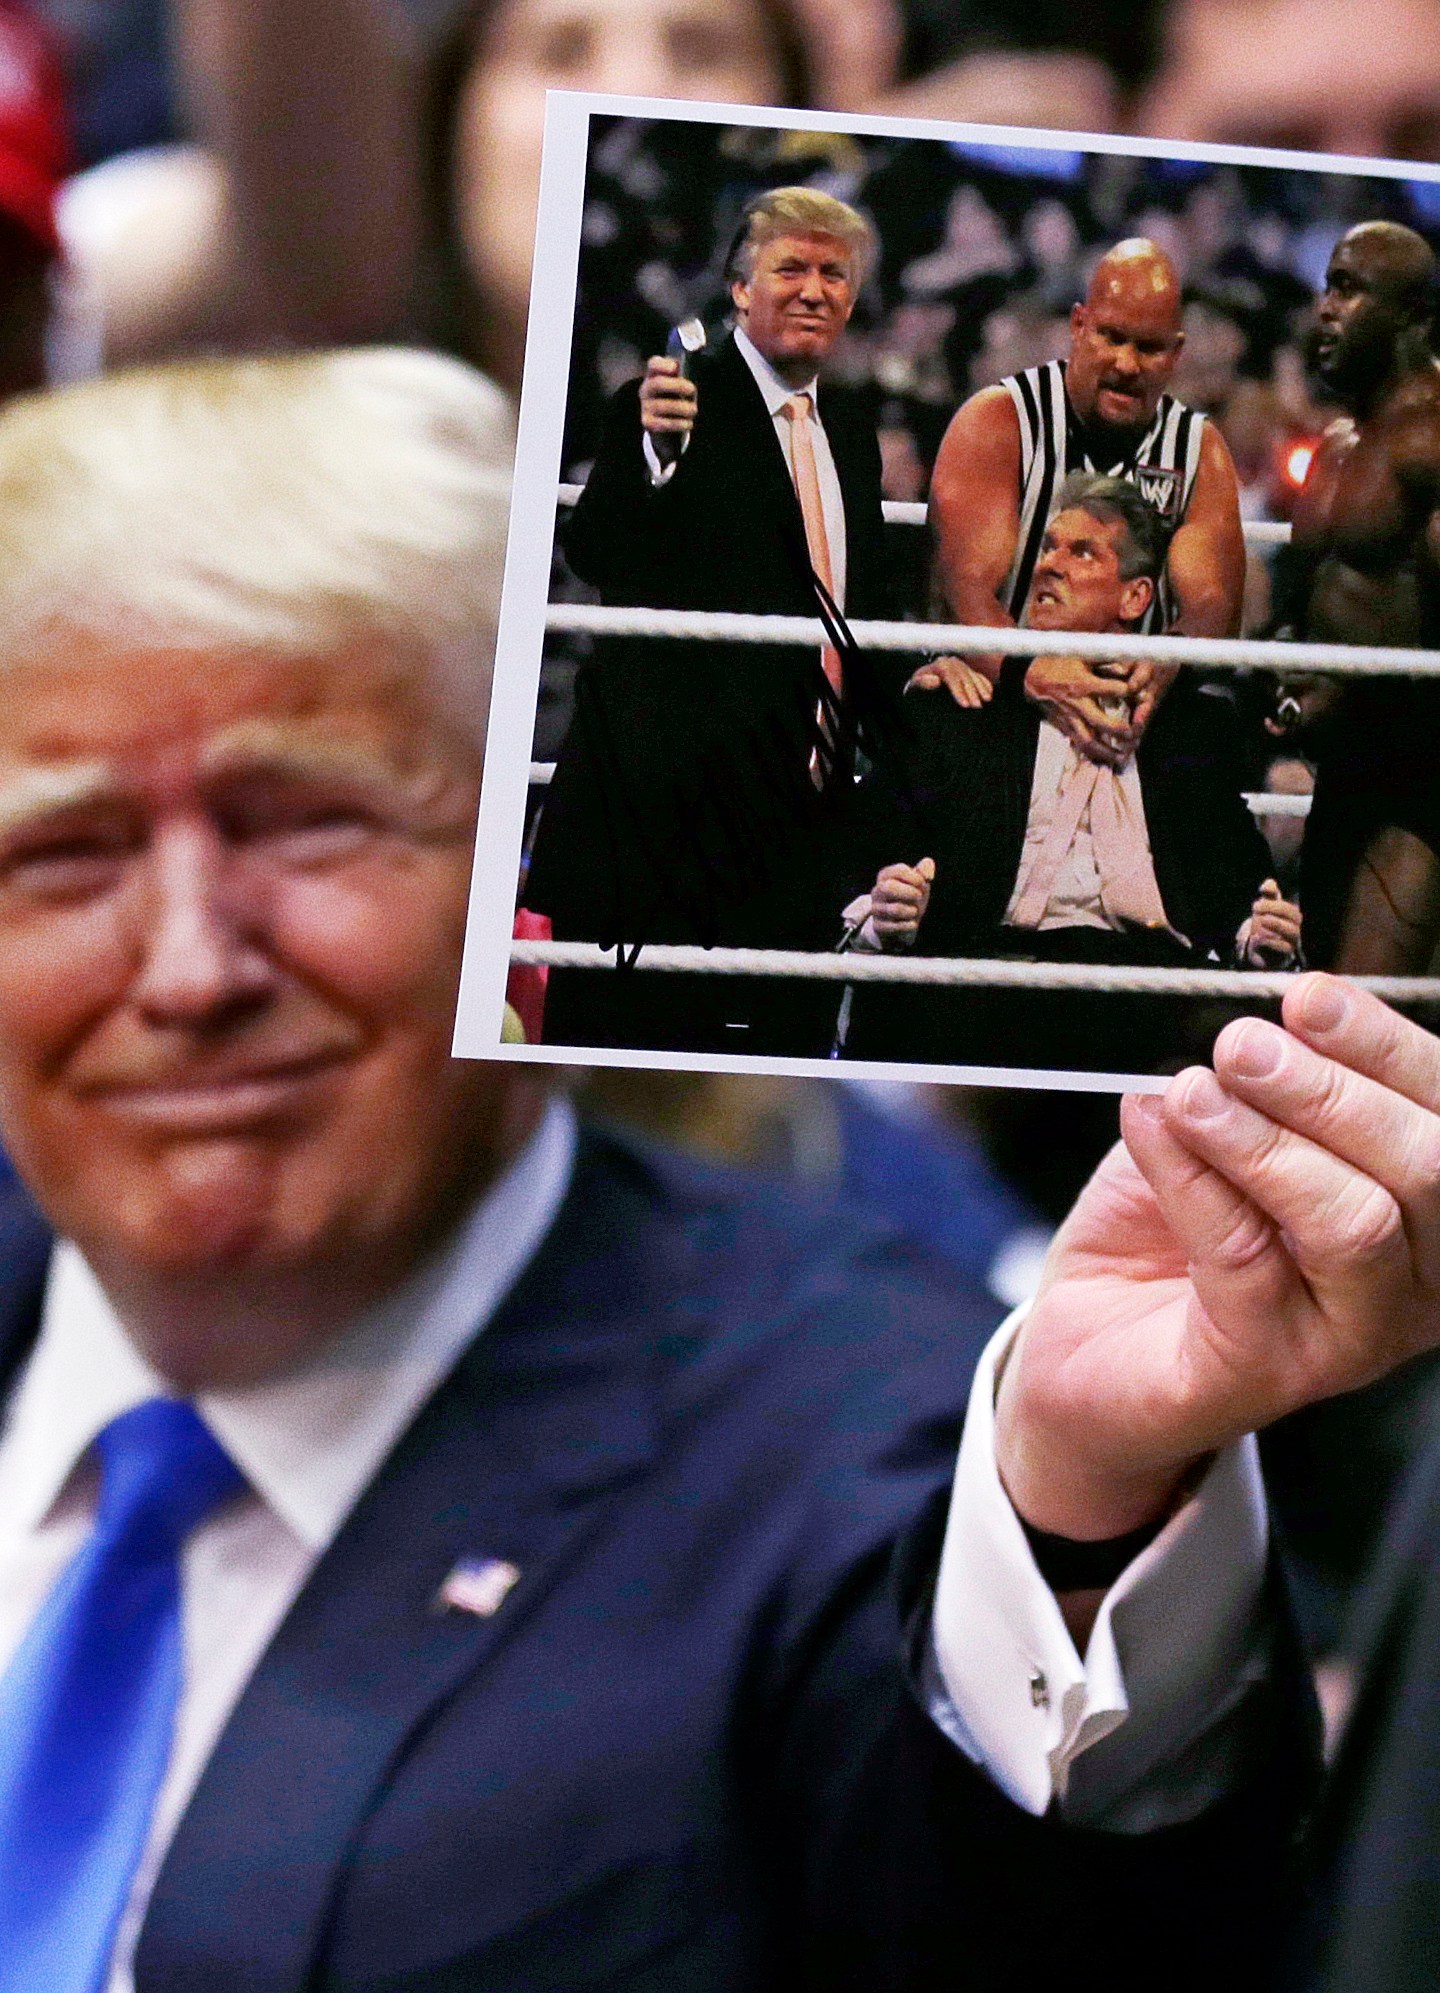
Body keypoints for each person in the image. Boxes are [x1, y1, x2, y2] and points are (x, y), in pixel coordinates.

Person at [0, 342, 1432, 1993]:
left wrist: (1080, 1514)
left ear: (522, 864)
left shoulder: (859, 1438)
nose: (190, 964)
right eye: (66, 850)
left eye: (311, 823)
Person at [526, 185, 897, 1058]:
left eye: (833, 274)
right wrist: (655, 454)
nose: (814, 289)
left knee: (783, 1073)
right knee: (630, 1070)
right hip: (668, 823)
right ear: (739, 288)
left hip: (800, 814)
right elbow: (600, 550)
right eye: (792, 268)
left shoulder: (848, 425)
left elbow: (866, 596)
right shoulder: (673, 400)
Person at [837, 474, 1298, 1070]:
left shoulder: (1189, 727)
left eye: (1081, 552)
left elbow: (1236, 879)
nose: (1049, 566)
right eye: (1049, 547)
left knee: (1232, 1039)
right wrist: (888, 913)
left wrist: (1257, 933)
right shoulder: (963, 700)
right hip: (995, 974)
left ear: (1135, 599)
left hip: (1148, 982)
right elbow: (875, 860)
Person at [918, 237, 1245, 769]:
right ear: (1078, 326)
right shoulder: (999, 422)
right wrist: (1035, 672)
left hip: (1133, 715)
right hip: (1002, 698)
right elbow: (963, 589)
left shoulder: (1198, 451)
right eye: (1111, 337)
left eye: (1149, 347)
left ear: (1177, 353)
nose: (1126, 363)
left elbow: (1212, 604)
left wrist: (1164, 662)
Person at [1280, 220, 1440, 976]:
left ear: (1410, 315)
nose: (1326, 309)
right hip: (1340, 768)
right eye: (1326, 286)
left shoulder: (1431, 442)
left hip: (1418, 774)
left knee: (1362, 1017)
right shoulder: (1339, 445)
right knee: (1315, 997)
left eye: (1349, 289)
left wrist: (1349, 697)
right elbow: (1301, 607)